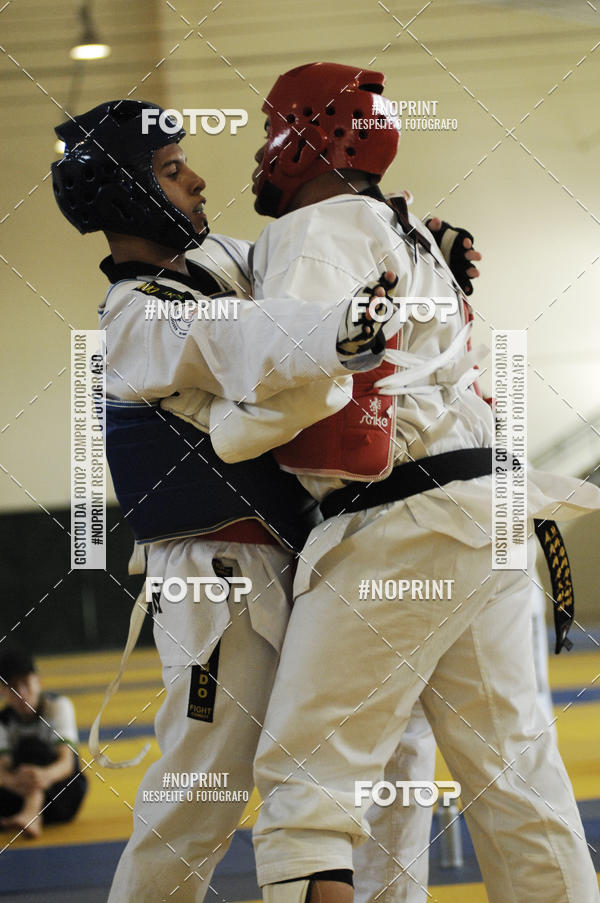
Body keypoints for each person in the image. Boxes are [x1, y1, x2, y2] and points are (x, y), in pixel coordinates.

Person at [216, 62, 600, 903]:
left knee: (305, 785)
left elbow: (300, 371)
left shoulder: (317, 228)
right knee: (517, 779)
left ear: (304, 136)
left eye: (266, 133)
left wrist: (226, 420)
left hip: (399, 523)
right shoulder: (408, 233)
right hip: (487, 516)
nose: (255, 156)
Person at [51, 100, 402, 903]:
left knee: (335, 770)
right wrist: (339, 331)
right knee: (202, 790)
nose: (199, 178)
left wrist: (415, 235)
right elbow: (250, 338)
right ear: (128, 194)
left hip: (286, 561)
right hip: (216, 581)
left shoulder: (215, 262)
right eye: (172, 171)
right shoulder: (136, 317)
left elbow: (300, 260)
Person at [0, 649, 87, 838]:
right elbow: (2, 772)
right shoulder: (3, 721)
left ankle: (31, 813)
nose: (21, 693)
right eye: (13, 687)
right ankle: (31, 814)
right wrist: (18, 782)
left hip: (61, 795)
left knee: (32, 748)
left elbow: (67, 763)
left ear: (38, 681)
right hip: (18, 796)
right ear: (3, 691)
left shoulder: (57, 707)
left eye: (25, 683)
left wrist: (44, 776)